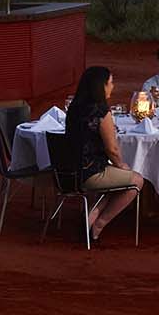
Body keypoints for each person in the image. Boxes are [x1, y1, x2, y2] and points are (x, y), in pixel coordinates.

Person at [61, 67, 146, 244]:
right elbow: (112, 149)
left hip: (68, 172)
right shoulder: (101, 112)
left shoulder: (74, 108)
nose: (112, 87)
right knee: (136, 181)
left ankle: (89, 220)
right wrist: (122, 165)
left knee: (119, 183)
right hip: (91, 173)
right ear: (101, 86)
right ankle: (100, 224)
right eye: (110, 83)